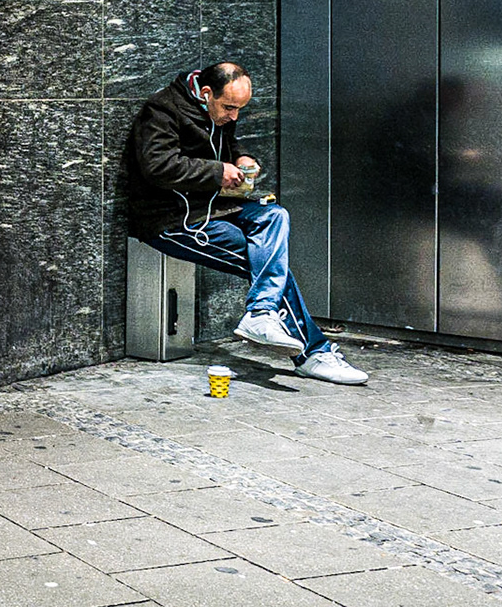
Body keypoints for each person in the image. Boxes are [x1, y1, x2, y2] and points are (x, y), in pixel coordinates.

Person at [125, 61, 368, 385]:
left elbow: (225, 143)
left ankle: (261, 313)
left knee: (274, 215)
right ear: (206, 93)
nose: (234, 116)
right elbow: (157, 166)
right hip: (173, 219)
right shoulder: (162, 111)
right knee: (267, 262)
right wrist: (217, 171)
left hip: (214, 207)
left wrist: (240, 157)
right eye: (229, 108)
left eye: (240, 108)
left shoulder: (216, 109)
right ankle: (312, 353)